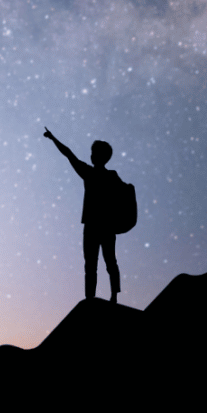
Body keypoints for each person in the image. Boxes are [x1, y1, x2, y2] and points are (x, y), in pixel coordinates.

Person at [43, 127, 121, 303]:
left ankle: (99, 296)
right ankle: (104, 296)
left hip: (98, 225)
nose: (91, 156)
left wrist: (53, 138)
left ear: (101, 156)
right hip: (101, 225)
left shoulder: (95, 173)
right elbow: (69, 154)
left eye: (94, 153)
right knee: (104, 262)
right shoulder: (108, 175)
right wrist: (54, 138)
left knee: (98, 263)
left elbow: (69, 154)